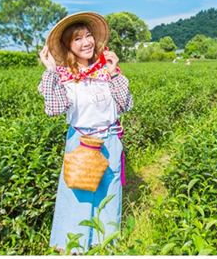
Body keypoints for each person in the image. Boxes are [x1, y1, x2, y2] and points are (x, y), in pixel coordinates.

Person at [38, 13, 132, 253]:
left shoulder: (106, 72)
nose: (86, 42)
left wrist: (112, 72)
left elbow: (125, 105)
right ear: (69, 45)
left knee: (108, 192)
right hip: (81, 141)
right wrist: (50, 70)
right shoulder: (62, 76)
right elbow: (54, 109)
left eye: (88, 36)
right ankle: (74, 246)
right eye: (78, 39)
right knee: (78, 191)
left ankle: (105, 243)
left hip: (110, 138)